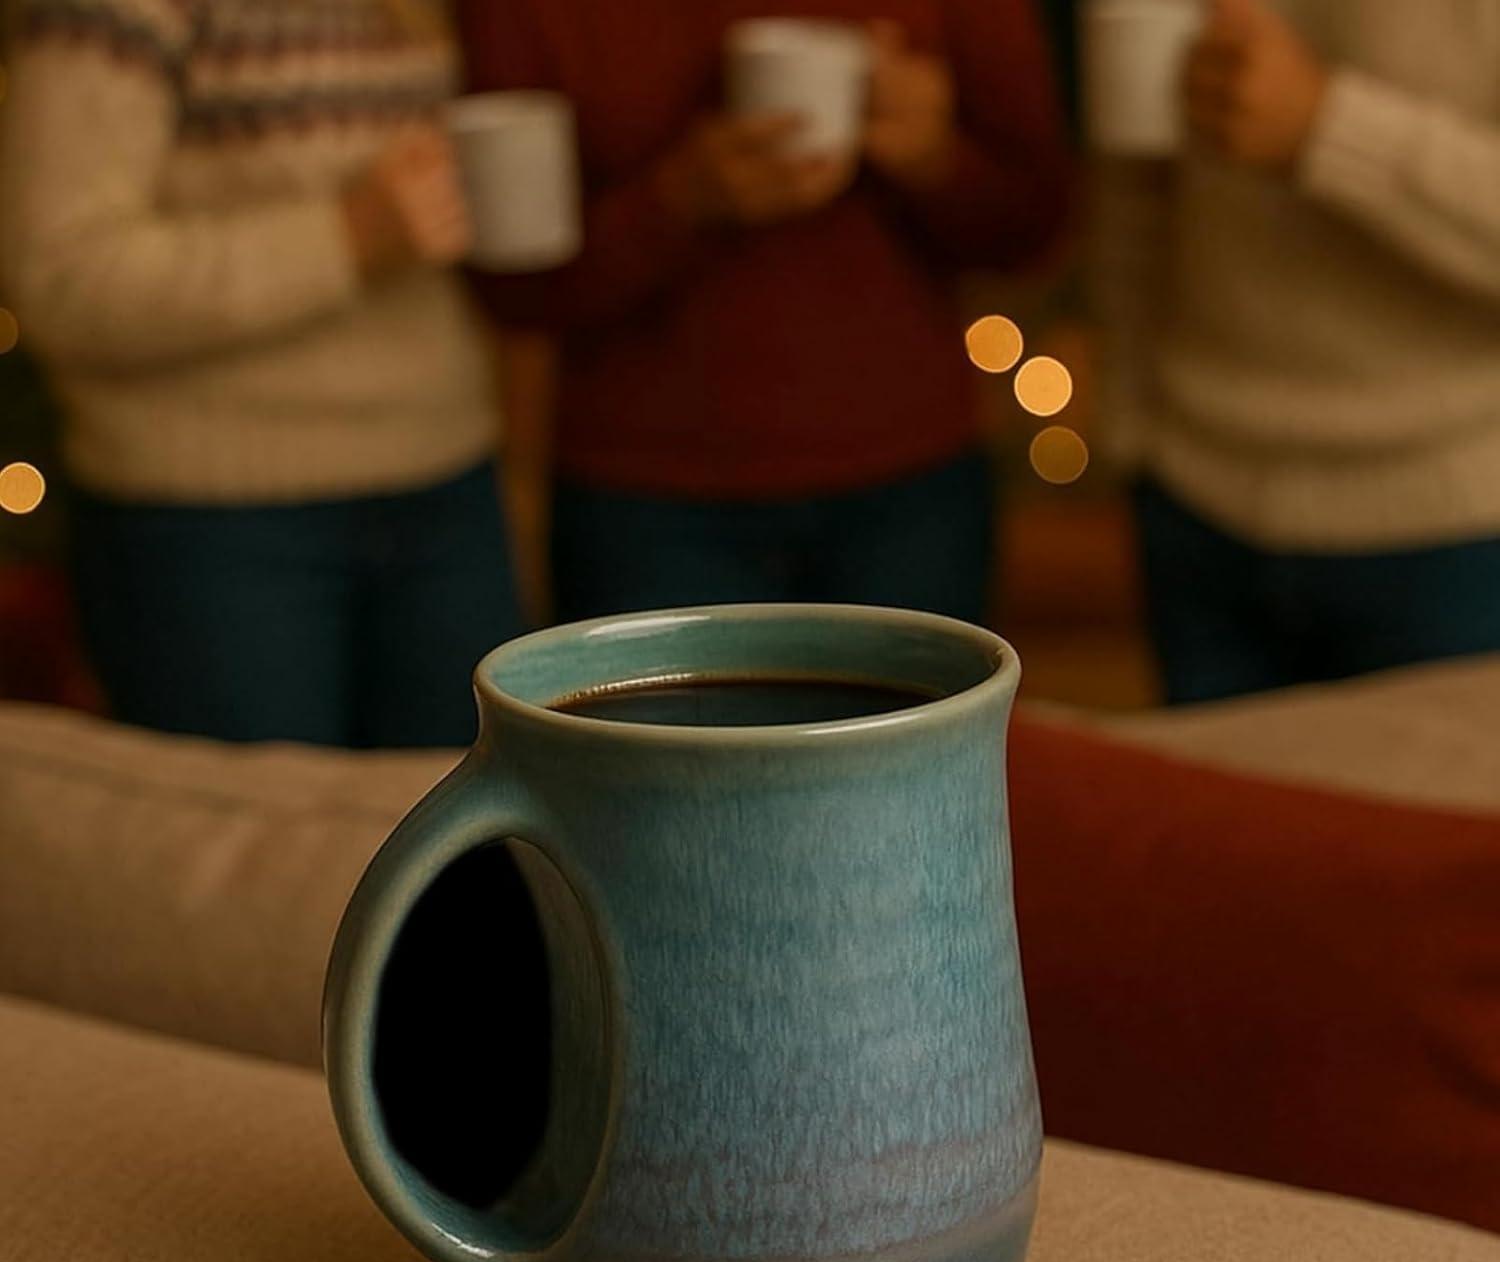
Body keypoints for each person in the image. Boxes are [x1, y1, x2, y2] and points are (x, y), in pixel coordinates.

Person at [0, 0, 522, 748]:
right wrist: (345, 237)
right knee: (239, 823)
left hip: (446, 480)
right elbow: (60, 277)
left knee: (474, 817)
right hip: (211, 520)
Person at [456, 2, 1070, 626]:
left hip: (909, 480)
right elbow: (512, 287)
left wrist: (935, 157)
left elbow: (1036, 225)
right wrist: (677, 202)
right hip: (644, 497)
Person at [1096, 0, 1500, 705]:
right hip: (1193, 498)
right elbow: (1133, 177)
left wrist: (1327, 125)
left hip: (1456, 529)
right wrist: (1130, 427)